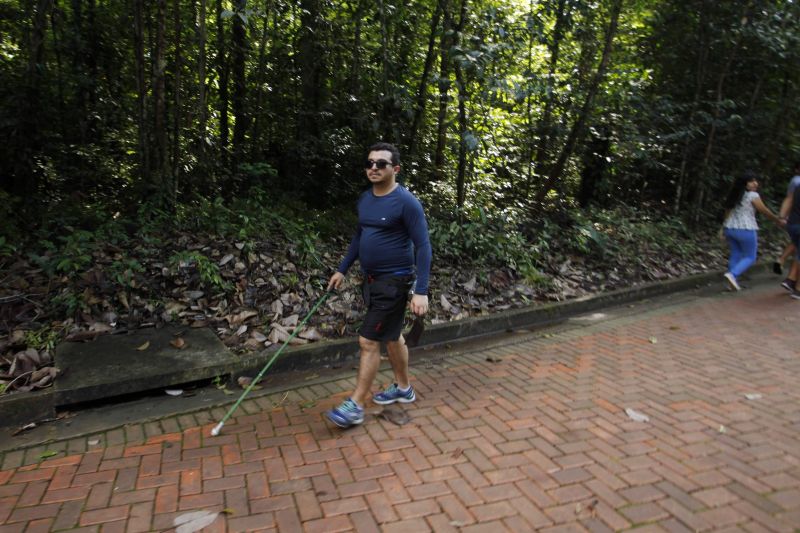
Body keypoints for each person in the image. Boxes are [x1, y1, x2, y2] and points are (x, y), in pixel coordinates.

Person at [325, 142, 432, 429]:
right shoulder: (365, 199)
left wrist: (421, 290)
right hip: (371, 281)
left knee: (368, 340)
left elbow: (423, 246)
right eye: (370, 163)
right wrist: (342, 269)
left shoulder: (406, 202)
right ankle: (403, 387)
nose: (373, 168)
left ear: (395, 169)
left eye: (381, 164)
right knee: (391, 336)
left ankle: (356, 404)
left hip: (395, 282)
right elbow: (359, 237)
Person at [721, 172, 783, 291]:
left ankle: (731, 283)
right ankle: (732, 274)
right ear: (745, 184)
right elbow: (763, 210)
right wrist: (776, 219)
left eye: (755, 180)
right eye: (751, 181)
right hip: (746, 229)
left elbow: (727, 212)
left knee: (736, 254)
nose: (755, 183)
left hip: (730, 228)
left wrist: (723, 228)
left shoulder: (734, 195)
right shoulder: (752, 195)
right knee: (751, 256)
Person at [778, 162, 800, 298]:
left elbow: (789, 200)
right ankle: (798, 289)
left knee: (798, 253)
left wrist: (782, 217)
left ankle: (791, 280)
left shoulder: (797, 185)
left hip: (793, 224)